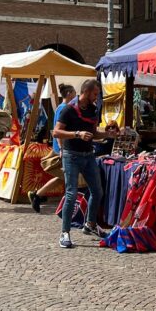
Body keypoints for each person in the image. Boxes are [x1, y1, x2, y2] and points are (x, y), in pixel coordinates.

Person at [53, 79, 112, 248]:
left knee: (97, 191)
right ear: (85, 92)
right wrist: (77, 134)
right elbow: (56, 132)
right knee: (71, 194)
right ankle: (65, 232)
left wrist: (108, 135)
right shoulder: (68, 109)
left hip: (88, 155)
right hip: (71, 155)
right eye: (95, 94)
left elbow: (94, 133)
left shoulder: (94, 109)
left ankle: (90, 224)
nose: (97, 97)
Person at [28, 83, 76, 213]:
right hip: (62, 148)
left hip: (62, 147)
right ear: (69, 94)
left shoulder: (62, 107)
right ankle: (38, 195)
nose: (75, 95)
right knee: (66, 176)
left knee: (65, 176)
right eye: (74, 92)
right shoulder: (64, 108)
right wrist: (61, 148)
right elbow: (58, 130)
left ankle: (38, 195)